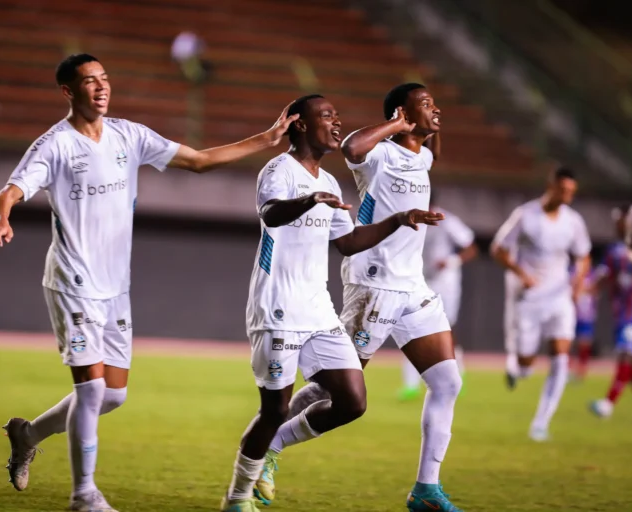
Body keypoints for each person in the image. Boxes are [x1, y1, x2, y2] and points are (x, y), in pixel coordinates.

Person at [0, 53, 299, 512]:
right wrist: (1, 220)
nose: (101, 87)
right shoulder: (54, 145)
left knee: (112, 395)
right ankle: (84, 495)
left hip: (115, 286)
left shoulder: (129, 136)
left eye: (105, 78)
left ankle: (26, 433)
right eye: (89, 82)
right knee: (90, 390)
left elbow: (200, 160)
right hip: (73, 281)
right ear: (69, 92)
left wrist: (265, 140)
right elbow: (8, 192)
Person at [220, 94, 444, 512]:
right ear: (301, 125)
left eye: (338, 115)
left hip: (318, 309)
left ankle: (271, 455)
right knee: (274, 410)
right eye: (327, 116)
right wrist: (307, 202)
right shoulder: (279, 170)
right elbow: (270, 213)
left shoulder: (329, 182)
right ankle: (236, 499)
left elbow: (348, 243)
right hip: (278, 308)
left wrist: (398, 219)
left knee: (352, 401)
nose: (336, 122)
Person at [491, 168, 591, 442]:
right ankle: (517, 367)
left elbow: (584, 256)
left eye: (571, 192)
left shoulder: (573, 221)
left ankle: (541, 422)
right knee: (527, 364)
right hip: (530, 299)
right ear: (551, 186)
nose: (567, 196)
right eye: (563, 190)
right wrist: (522, 274)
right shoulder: (526, 215)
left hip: (559, 298)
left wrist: (578, 284)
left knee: (561, 356)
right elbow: (498, 249)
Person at [400, 190, 477, 401]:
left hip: (446, 283)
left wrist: (451, 261)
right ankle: (410, 385)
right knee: (411, 327)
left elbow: (471, 248)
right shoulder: (408, 218)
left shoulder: (448, 221)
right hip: (418, 280)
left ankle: (458, 374)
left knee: (448, 329)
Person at [589, 205, 632, 418]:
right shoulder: (614, 251)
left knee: (627, 355)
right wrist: (586, 290)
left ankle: (608, 403)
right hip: (622, 313)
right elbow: (603, 276)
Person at [571, 267, 597, 381]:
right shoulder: (571, 270)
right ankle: (569, 368)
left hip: (586, 313)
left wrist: (583, 288)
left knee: (584, 341)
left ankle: (582, 369)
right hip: (572, 312)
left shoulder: (592, 273)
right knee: (569, 341)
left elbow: (595, 288)